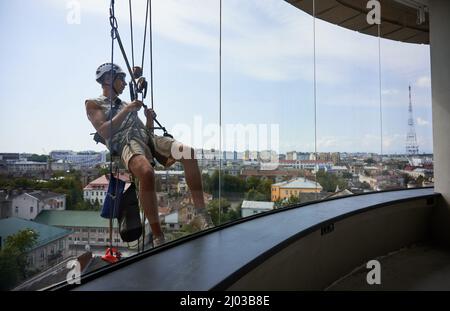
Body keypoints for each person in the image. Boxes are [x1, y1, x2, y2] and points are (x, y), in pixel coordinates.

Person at [85, 63, 212, 247]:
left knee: (189, 153)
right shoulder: (94, 103)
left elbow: (146, 133)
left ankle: (201, 214)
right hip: (126, 142)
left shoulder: (124, 104)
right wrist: (128, 110)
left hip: (146, 138)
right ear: (107, 79)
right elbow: (104, 131)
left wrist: (149, 119)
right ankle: (158, 236)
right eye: (121, 78)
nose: (124, 83)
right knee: (146, 173)